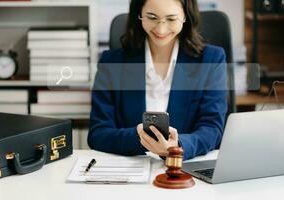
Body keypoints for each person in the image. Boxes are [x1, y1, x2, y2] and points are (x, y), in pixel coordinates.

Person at [88, 0, 227, 160]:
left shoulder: (211, 59)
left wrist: (177, 146)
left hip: (185, 169)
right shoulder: (111, 62)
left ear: (185, 16)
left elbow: (213, 129)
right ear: (139, 14)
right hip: (130, 170)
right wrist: (142, 138)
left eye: (171, 19)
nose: (161, 29)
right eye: (152, 17)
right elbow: (98, 133)